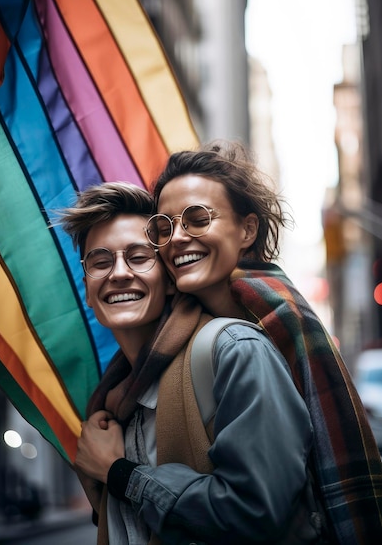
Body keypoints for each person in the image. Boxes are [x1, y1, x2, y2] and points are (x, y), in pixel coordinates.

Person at [60, 181, 322, 545]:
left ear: (169, 281)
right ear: (88, 288)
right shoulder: (114, 405)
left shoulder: (234, 350)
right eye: (101, 262)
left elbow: (257, 514)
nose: (118, 273)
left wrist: (119, 473)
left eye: (138, 257)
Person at [147, 139, 382, 544]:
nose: (177, 238)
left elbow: (254, 510)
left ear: (247, 229)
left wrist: (126, 477)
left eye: (197, 218)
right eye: (163, 227)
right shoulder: (176, 334)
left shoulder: (275, 325)